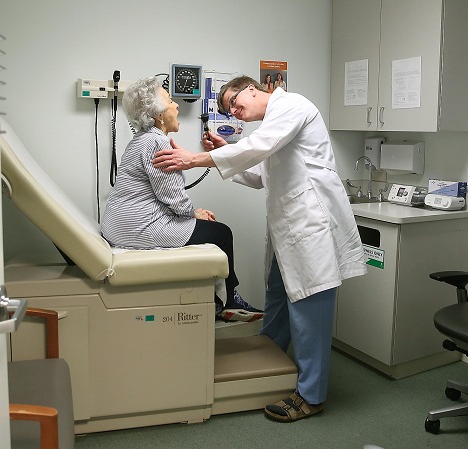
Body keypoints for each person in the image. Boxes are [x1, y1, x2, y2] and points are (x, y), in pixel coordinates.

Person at [152, 75, 367, 422]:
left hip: (310, 226)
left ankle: (311, 395)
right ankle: (269, 358)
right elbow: (258, 175)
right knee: (278, 298)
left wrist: (197, 159)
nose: (235, 113)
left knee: (310, 309)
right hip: (289, 229)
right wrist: (220, 153)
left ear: (252, 89)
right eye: (229, 111)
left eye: (234, 104)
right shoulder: (272, 124)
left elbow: (257, 148)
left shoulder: (292, 105)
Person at [100, 77, 263, 322]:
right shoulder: (157, 142)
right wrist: (194, 214)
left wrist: (191, 213)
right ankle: (229, 301)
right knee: (221, 233)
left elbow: (161, 196)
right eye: (170, 101)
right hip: (139, 229)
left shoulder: (141, 140)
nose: (176, 106)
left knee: (209, 228)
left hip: (119, 226)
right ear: (158, 114)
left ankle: (222, 297)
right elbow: (173, 197)